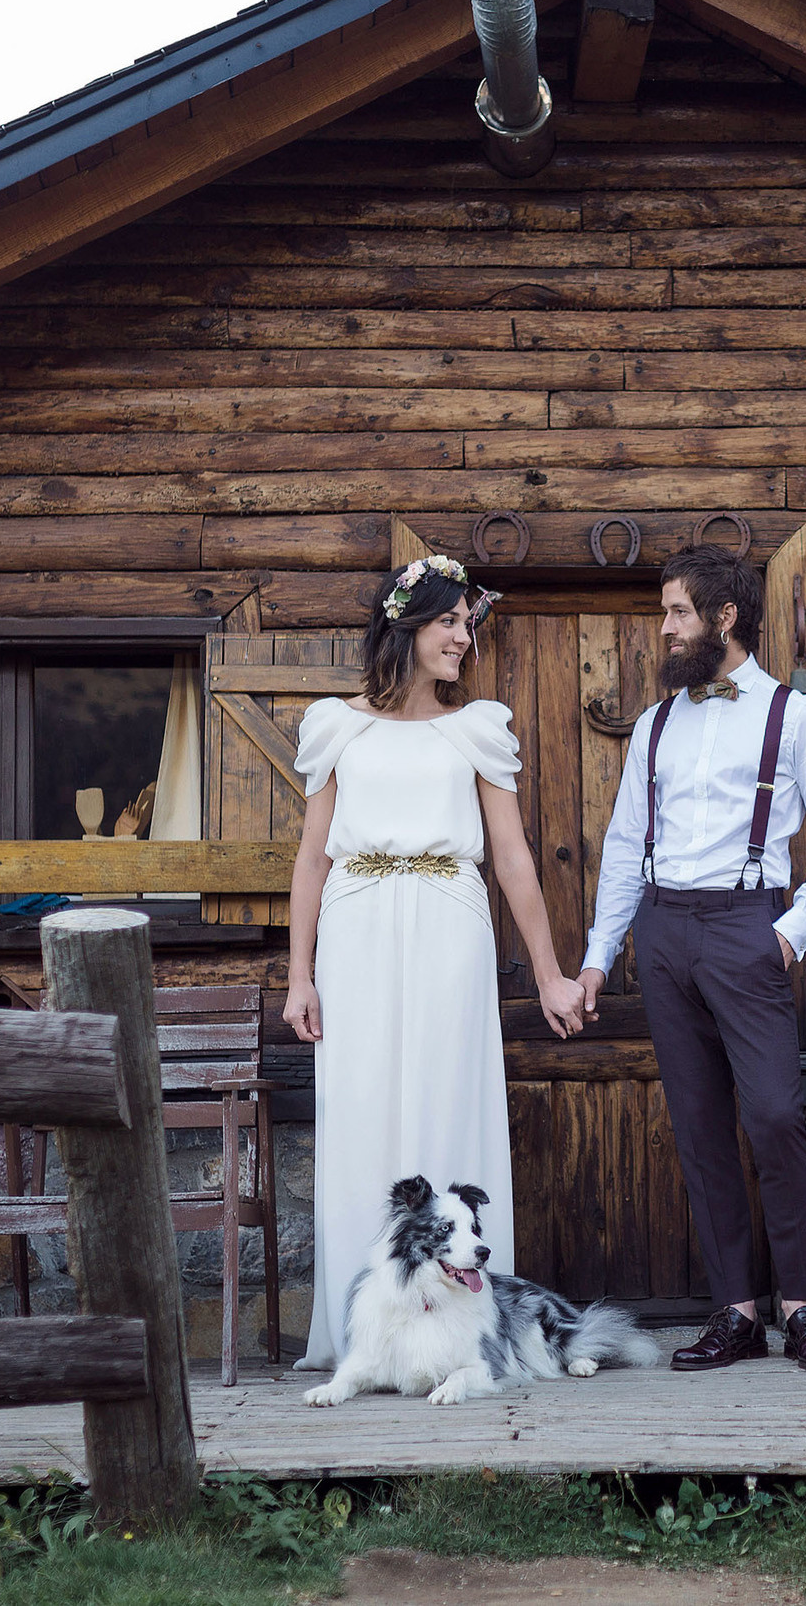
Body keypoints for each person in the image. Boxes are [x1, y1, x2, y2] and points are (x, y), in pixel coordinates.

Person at [283, 555, 587, 1371]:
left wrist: (552, 972)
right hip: (357, 929)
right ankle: (368, 1334)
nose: (463, 637)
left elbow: (515, 859)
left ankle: (464, 1332)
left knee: (451, 1098)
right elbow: (312, 859)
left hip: (451, 923)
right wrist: (299, 974)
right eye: (450, 621)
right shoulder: (336, 726)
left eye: (467, 624)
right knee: (362, 1107)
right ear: (408, 625)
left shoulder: (476, 727)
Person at [577, 546, 806, 1373]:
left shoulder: (795, 717)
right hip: (664, 932)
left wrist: (792, 929)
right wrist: (600, 956)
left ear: (724, 617)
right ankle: (737, 1312)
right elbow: (626, 843)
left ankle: (802, 1309)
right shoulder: (656, 723)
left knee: (773, 1115)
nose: (665, 628)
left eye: (677, 612)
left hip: (748, 926)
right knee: (700, 1127)